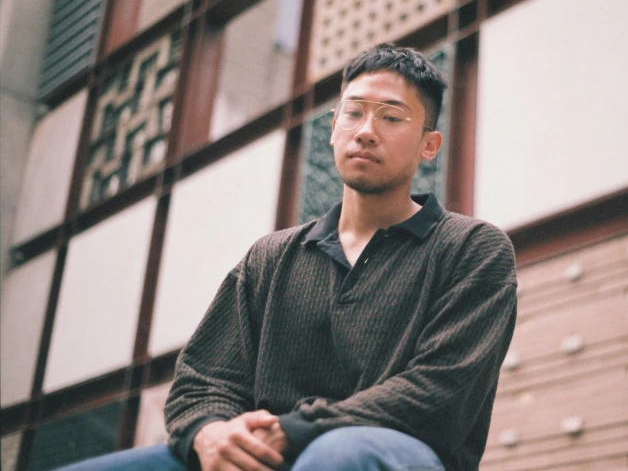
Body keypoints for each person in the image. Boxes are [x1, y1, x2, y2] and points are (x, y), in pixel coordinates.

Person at [59, 43, 517, 471]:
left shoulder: (472, 249)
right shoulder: (272, 257)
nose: (365, 132)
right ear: (333, 127)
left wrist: (295, 431)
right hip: (263, 454)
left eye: (391, 118)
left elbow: (440, 390)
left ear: (429, 145)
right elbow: (202, 378)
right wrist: (210, 433)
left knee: (339, 452)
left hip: (390, 450)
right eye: (353, 114)